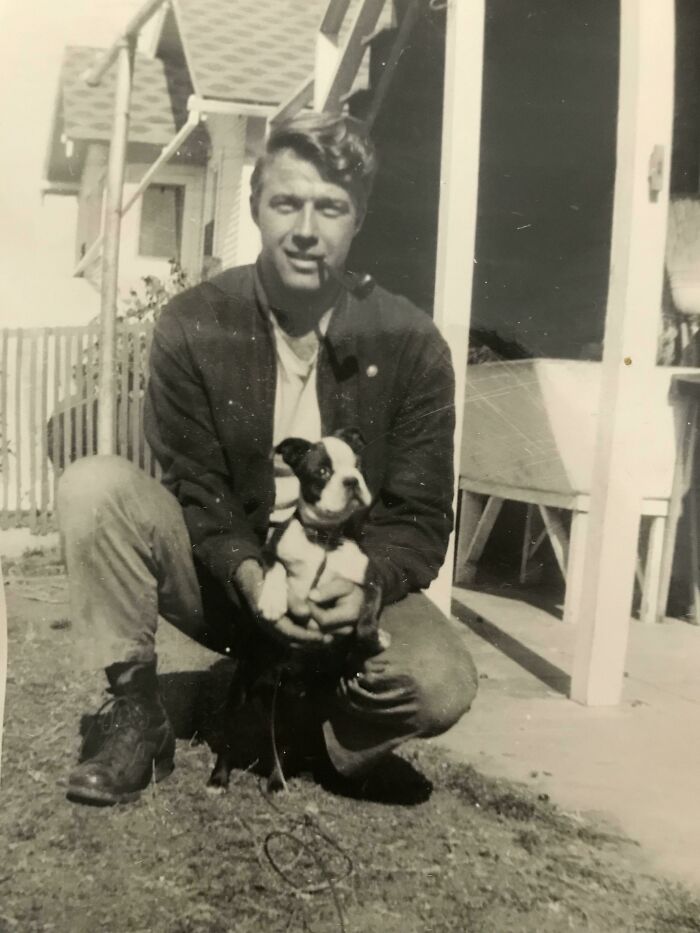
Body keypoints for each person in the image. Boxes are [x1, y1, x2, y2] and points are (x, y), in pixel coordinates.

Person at [57, 111, 478, 806]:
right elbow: (197, 489)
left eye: (331, 207)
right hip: (229, 581)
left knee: (439, 682)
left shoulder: (410, 341)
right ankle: (139, 711)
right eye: (286, 202)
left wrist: (367, 585)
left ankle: (314, 726)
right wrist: (252, 576)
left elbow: (422, 515)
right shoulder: (193, 322)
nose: (306, 229)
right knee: (92, 485)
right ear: (255, 206)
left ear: (358, 217)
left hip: (345, 585)